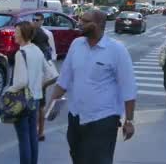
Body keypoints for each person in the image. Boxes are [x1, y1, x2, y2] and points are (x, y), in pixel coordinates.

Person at [47, 11, 137, 164]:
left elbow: (128, 87)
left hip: (103, 120)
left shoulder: (117, 50)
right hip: (75, 118)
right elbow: (64, 80)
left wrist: (129, 120)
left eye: (85, 21)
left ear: (98, 25)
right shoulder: (76, 45)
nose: (79, 23)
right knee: (78, 159)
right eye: (80, 19)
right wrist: (50, 108)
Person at [6, 21, 50, 164]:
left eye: (16, 32)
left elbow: (21, 82)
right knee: (32, 136)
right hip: (36, 99)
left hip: (23, 101)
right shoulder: (37, 50)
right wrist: (38, 85)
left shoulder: (21, 53)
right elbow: (51, 74)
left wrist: (8, 91)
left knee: (23, 139)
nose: (14, 34)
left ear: (23, 34)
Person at [32, 13, 56, 141]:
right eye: (33, 19)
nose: (35, 21)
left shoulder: (46, 34)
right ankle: (39, 131)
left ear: (42, 20)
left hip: (40, 76)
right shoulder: (35, 32)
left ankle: (39, 131)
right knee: (40, 105)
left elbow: (53, 52)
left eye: (37, 19)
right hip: (42, 75)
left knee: (37, 105)